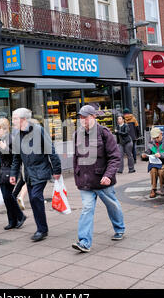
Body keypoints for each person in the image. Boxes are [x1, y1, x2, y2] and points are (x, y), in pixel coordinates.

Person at [72, 105, 125, 253]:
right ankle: (84, 242)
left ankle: (119, 228)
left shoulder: (104, 133)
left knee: (112, 205)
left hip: (102, 180)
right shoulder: (77, 134)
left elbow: (115, 157)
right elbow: (76, 158)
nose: (83, 120)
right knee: (87, 209)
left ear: (94, 116)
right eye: (80, 117)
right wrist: (77, 175)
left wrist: (108, 175)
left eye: (85, 117)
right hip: (85, 181)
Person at [10, 108, 61, 242]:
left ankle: (42, 230)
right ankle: (41, 228)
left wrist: (57, 170)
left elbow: (51, 150)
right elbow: (16, 157)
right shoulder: (17, 135)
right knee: (33, 199)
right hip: (28, 173)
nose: (12, 121)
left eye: (15, 118)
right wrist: (13, 174)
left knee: (35, 197)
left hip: (41, 170)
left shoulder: (38, 131)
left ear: (23, 120)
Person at [0, 118, 26, 230]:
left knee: (9, 196)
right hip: (2, 173)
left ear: (5, 129)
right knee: (6, 198)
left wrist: (5, 148)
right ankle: (12, 221)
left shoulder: (11, 139)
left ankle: (20, 216)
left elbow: (16, 156)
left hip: (10, 172)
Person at [141, 127, 164, 198]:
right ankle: (153, 189)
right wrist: (144, 155)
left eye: (157, 137)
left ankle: (162, 187)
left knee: (161, 171)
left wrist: (160, 155)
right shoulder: (152, 143)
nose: (156, 139)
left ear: (161, 134)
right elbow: (148, 152)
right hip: (155, 163)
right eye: (154, 138)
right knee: (153, 170)